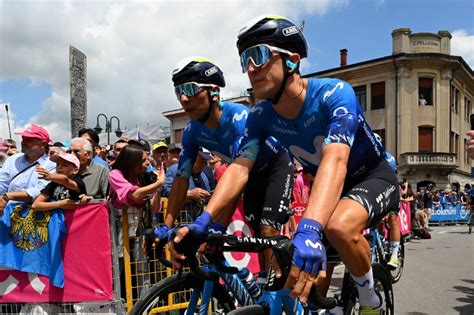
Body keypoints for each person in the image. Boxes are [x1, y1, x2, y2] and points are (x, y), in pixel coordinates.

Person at [173, 16, 399, 313]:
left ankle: (371, 302)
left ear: (292, 60)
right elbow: (239, 169)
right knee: (306, 279)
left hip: (372, 175)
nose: (250, 67)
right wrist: (204, 221)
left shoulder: (335, 93)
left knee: (338, 227)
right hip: (333, 185)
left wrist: (308, 230)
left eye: (259, 55)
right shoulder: (260, 115)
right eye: (245, 59)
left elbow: (335, 159)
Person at [162, 56, 294, 279]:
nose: (183, 98)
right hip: (247, 176)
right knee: (257, 240)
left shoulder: (239, 119)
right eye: (178, 91)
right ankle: (265, 285)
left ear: (213, 91)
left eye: (190, 89)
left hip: (275, 168)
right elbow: (181, 179)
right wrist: (165, 228)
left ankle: (282, 294)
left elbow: (236, 178)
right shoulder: (192, 131)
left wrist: (209, 223)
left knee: (267, 232)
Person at [108, 144, 165, 299]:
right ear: (131, 161)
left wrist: (157, 188)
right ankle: (115, 304)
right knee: (118, 267)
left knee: (142, 266)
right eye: (144, 160)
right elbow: (134, 195)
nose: (147, 163)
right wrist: (157, 184)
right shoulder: (116, 174)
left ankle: (143, 304)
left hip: (139, 226)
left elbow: (154, 208)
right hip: (119, 227)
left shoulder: (144, 176)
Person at [0, 125, 56, 216]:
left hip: (35, 217)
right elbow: (2, 182)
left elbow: (40, 191)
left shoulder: (52, 165)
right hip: (7, 214)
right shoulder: (13, 159)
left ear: (43, 144)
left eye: (29, 140)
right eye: (23, 139)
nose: (23, 142)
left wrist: (8, 196)